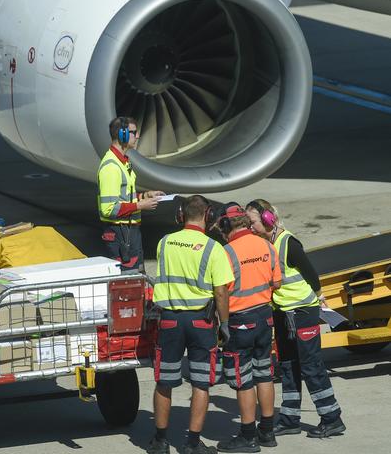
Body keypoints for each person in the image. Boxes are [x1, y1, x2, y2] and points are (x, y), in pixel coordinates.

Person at [245, 199, 346, 438]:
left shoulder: (288, 243)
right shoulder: (263, 243)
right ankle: (290, 419)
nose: (249, 227)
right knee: (288, 366)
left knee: (311, 366)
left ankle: (332, 418)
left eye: (252, 222)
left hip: (302, 312)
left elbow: (311, 274)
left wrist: (321, 298)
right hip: (282, 313)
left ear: (268, 219)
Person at [148, 195, 234, 454]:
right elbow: (221, 292)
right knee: (200, 382)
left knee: (165, 381)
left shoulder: (165, 242)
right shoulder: (213, 248)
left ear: (180, 215)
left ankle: (160, 441)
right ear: (208, 217)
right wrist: (225, 324)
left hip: (170, 321)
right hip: (201, 322)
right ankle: (192, 444)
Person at [210, 203, 281, 453]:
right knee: (264, 374)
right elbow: (278, 284)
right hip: (265, 317)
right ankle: (268, 431)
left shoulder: (226, 252)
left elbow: (220, 291)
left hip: (240, 321)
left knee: (243, 381)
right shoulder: (267, 246)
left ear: (227, 226)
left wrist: (223, 325)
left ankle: (248, 435)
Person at [97, 116, 164, 271]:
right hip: (120, 235)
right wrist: (140, 205)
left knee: (137, 276)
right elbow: (108, 209)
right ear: (123, 135)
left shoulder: (122, 162)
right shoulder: (111, 167)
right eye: (134, 132)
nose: (137, 136)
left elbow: (124, 197)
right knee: (128, 279)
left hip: (128, 233)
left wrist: (145, 196)